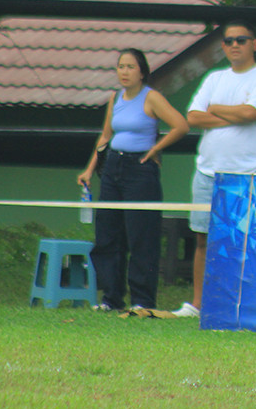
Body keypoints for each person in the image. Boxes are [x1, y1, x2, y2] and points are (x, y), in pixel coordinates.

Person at [171, 20, 256, 318]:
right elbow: (193, 116)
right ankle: (198, 304)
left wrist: (216, 108)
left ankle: (246, 305)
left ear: (254, 44)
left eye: (241, 40)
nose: (234, 45)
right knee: (203, 238)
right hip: (207, 172)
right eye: (229, 41)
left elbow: (252, 112)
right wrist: (233, 115)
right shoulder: (214, 78)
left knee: (248, 240)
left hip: (250, 171)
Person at [77, 48, 189, 311]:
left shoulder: (151, 98)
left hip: (139, 169)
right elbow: (105, 137)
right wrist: (89, 170)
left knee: (142, 236)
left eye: (130, 67)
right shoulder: (115, 99)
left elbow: (180, 125)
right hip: (113, 165)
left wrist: (154, 149)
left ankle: (142, 300)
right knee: (108, 234)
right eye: (120, 67)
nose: (124, 72)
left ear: (142, 71)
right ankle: (111, 298)